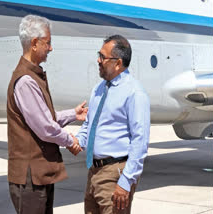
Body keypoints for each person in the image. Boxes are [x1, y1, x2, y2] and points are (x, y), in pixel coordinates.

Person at [6, 15, 86, 214]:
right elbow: (44, 127)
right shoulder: (26, 81)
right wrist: (71, 140)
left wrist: (73, 115)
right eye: (48, 43)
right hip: (31, 178)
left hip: (39, 176)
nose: (50, 48)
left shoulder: (32, 76)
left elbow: (42, 118)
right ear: (34, 43)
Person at [72, 35, 150, 214]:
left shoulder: (135, 93)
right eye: (98, 55)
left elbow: (140, 141)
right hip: (94, 172)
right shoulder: (99, 89)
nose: (98, 61)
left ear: (118, 63)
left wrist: (125, 182)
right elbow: (90, 124)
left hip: (116, 174)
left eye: (103, 57)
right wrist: (78, 140)